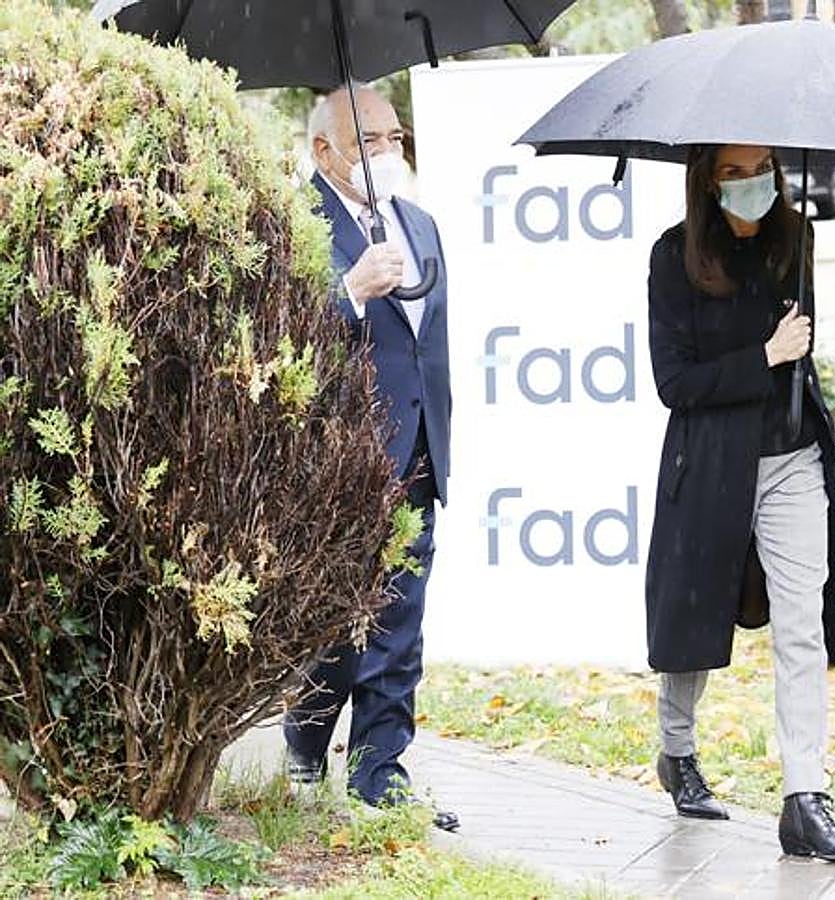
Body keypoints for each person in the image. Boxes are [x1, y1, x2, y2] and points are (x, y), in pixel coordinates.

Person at [644, 143, 835, 860]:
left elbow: (802, 355)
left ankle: (806, 796)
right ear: (709, 181)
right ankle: (677, 751)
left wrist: (801, 372)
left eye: (764, 168)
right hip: (711, 462)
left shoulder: (796, 239)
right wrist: (764, 356)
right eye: (736, 173)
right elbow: (675, 385)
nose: (754, 184)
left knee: (802, 624)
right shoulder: (673, 256)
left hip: (792, 456)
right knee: (697, 614)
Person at [283, 86, 455, 829]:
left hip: (415, 449)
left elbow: (427, 344)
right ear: (324, 152)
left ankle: (379, 771)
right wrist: (349, 291)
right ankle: (306, 738)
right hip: (340, 461)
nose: (388, 153)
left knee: (400, 622)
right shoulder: (296, 224)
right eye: (369, 141)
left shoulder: (418, 224)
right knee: (336, 625)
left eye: (394, 137)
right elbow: (283, 337)